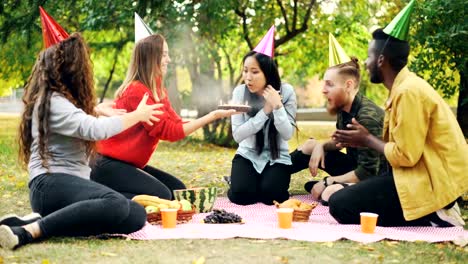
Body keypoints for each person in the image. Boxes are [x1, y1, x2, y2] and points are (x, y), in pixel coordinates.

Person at [0, 33, 163, 250]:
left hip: (69, 187)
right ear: (69, 71)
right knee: (114, 203)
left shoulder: (61, 101)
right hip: (50, 185)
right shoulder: (53, 102)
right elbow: (93, 130)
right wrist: (137, 115)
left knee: (135, 214)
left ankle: (44, 220)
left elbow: (80, 118)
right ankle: (28, 232)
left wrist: (96, 109)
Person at [329, 28, 468, 227]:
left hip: (432, 184)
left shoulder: (408, 91)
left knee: (340, 205)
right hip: (413, 176)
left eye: (369, 56)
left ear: (381, 60)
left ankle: (433, 214)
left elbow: (406, 155)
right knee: (342, 197)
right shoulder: (403, 87)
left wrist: (367, 139)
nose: (366, 63)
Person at [90, 34, 237, 200]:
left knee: (178, 191)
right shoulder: (136, 91)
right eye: (164, 55)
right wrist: (212, 116)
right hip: (109, 165)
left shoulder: (158, 91)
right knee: (163, 196)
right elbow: (170, 132)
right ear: (152, 58)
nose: (169, 60)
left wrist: (214, 114)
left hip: (129, 165)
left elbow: (176, 124)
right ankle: (102, 195)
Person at [289, 57, 387, 204]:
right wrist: (321, 145)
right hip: (354, 166)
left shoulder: (367, 118)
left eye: (329, 84)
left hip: (373, 179)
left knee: (329, 193)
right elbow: (340, 142)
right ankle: (271, 174)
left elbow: (367, 172)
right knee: (311, 145)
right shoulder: (344, 107)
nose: (323, 90)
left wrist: (328, 181)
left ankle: (334, 188)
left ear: (348, 85)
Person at [227, 50, 297, 205]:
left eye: (255, 72)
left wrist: (278, 106)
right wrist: (265, 111)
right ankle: (238, 181)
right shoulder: (240, 92)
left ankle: (261, 182)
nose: (248, 77)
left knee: (272, 196)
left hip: (277, 157)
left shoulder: (286, 92)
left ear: (268, 73)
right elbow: (238, 135)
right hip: (247, 155)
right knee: (241, 195)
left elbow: (287, 134)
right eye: (245, 71)